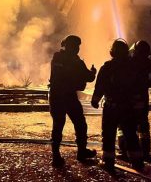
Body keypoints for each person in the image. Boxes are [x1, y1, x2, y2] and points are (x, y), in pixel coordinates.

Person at [91, 39, 144, 171]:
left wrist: (95, 100)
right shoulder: (133, 68)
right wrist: (138, 103)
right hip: (128, 107)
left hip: (111, 107)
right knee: (130, 134)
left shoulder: (107, 67)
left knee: (109, 134)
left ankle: (108, 162)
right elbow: (139, 87)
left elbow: (100, 86)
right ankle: (137, 162)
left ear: (112, 52)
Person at [48, 35, 97, 167]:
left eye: (77, 46)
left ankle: (78, 151)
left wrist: (91, 73)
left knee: (77, 123)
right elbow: (86, 77)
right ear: (68, 45)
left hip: (64, 95)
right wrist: (90, 73)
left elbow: (87, 77)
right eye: (75, 46)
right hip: (61, 95)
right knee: (62, 124)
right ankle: (58, 155)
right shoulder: (63, 58)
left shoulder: (70, 59)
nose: (77, 48)